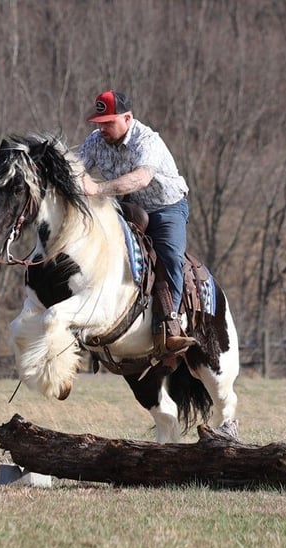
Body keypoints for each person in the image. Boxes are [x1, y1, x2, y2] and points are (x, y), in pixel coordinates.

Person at [78, 90, 196, 353]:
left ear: (128, 118)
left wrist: (97, 189)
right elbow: (75, 168)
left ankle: (170, 326)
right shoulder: (95, 141)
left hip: (166, 207)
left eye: (109, 122)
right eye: (99, 123)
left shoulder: (147, 140)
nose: (102, 128)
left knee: (170, 256)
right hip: (126, 207)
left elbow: (141, 178)